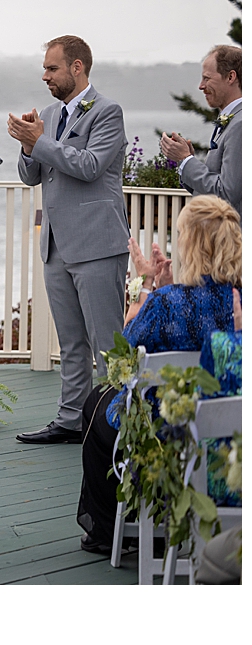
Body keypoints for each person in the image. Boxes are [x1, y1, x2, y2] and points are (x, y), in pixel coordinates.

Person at [77, 195, 241, 555]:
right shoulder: (238, 300)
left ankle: (109, 528)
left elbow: (124, 357)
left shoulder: (168, 302)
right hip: (230, 430)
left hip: (168, 425)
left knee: (96, 402)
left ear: (190, 244)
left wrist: (147, 287)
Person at [8, 35, 130, 445]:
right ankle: (71, 420)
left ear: (77, 68)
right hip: (56, 244)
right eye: (44, 68)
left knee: (107, 345)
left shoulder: (107, 112)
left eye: (52, 68)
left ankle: (117, 426)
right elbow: (31, 176)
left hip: (97, 243)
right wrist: (29, 147)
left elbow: (91, 165)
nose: (45, 76)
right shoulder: (48, 114)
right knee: (71, 340)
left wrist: (39, 141)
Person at [160, 45, 242, 217]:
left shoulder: (240, 124)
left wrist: (186, 159)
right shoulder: (233, 119)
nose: (201, 86)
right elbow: (213, 186)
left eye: (207, 78)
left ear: (231, 77)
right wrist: (187, 162)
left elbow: (227, 193)